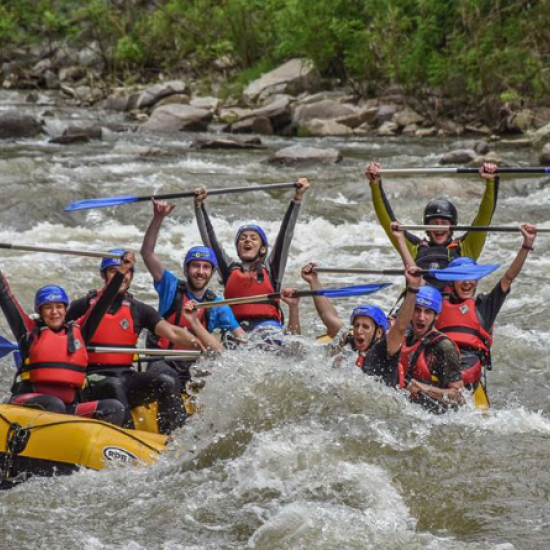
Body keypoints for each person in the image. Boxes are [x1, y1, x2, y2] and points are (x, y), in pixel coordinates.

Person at [66, 250, 205, 435]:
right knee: (113, 385)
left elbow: (172, 331)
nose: (120, 276)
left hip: (125, 376)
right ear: (103, 275)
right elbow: (58, 335)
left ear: (131, 275)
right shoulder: (82, 306)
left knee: (166, 382)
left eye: (125, 271)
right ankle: (129, 437)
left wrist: (199, 347)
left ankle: (172, 437)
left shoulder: (138, 309)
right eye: (113, 271)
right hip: (92, 380)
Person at [0, 255, 135, 426]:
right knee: (54, 405)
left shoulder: (80, 330)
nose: (54, 312)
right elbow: (5, 296)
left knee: (114, 407)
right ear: (40, 312)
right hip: (30, 403)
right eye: (48, 308)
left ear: (65, 310)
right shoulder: (28, 331)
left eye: (59, 307)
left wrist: (121, 272)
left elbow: (102, 301)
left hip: (68, 408)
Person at [435, 224, 537, 400]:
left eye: (472, 278)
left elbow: (508, 277)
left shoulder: (485, 306)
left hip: (470, 377)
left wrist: (526, 245)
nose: (467, 283)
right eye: (461, 278)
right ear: (451, 282)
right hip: (439, 372)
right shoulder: (436, 304)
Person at [194, 178, 310, 331]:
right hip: (236, 332)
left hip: (267, 330)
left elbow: (286, 234)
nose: (247, 240)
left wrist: (297, 198)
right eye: (242, 238)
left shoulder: (272, 268)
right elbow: (209, 239)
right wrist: (199, 205)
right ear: (238, 248)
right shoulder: (228, 269)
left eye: (253, 238)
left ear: (263, 249)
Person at [365, 161, 499, 288]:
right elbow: (388, 222)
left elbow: (484, 217)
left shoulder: (466, 248)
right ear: (426, 228)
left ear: (452, 226)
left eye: (444, 223)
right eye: (434, 223)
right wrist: (375, 184)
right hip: (420, 307)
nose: (439, 227)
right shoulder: (414, 247)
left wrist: (491, 182)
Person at [141, 198, 245, 359]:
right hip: (162, 361)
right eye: (195, 265)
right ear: (186, 269)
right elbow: (147, 253)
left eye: (206, 267)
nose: (200, 271)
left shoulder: (217, 305)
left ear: (212, 272)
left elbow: (242, 339)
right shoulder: (170, 287)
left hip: (194, 366)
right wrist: (158, 218)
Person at [300, 262, 423, 387]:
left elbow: (401, 327)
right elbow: (328, 315)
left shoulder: (385, 350)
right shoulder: (350, 342)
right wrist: (313, 281)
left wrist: (412, 288)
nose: (359, 330)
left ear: (379, 332)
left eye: (366, 327)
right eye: (357, 325)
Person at [398, 286, 464, 412]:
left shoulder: (444, 347)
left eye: (427, 312)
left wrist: (425, 388)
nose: (421, 317)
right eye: (417, 310)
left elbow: (459, 397)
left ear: (436, 316)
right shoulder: (406, 337)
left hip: (436, 416)